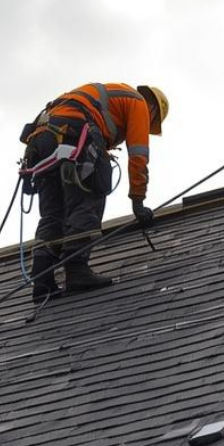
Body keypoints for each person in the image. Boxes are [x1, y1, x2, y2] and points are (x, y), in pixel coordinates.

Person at [19, 83, 168, 303]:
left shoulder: (107, 98)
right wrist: (138, 200)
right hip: (74, 133)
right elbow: (138, 155)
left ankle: (42, 280)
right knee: (87, 197)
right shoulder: (139, 103)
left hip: (42, 139)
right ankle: (76, 269)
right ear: (153, 110)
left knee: (53, 213)